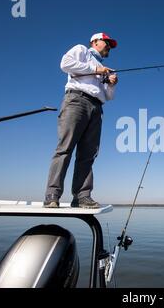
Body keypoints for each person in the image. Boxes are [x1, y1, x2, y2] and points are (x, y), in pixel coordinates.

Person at [43, 32, 118, 208]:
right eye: (106, 42)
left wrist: (111, 84)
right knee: (65, 148)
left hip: (97, 107)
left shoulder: (103, 69)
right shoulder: (82, 50)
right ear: (95, 41)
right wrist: (97, 70)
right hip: (76, 101)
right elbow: (65, 64)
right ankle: (52, 194)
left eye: (110, 45)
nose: (108, 46)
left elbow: (108, 96)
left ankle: (82, 196)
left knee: (88, 154)